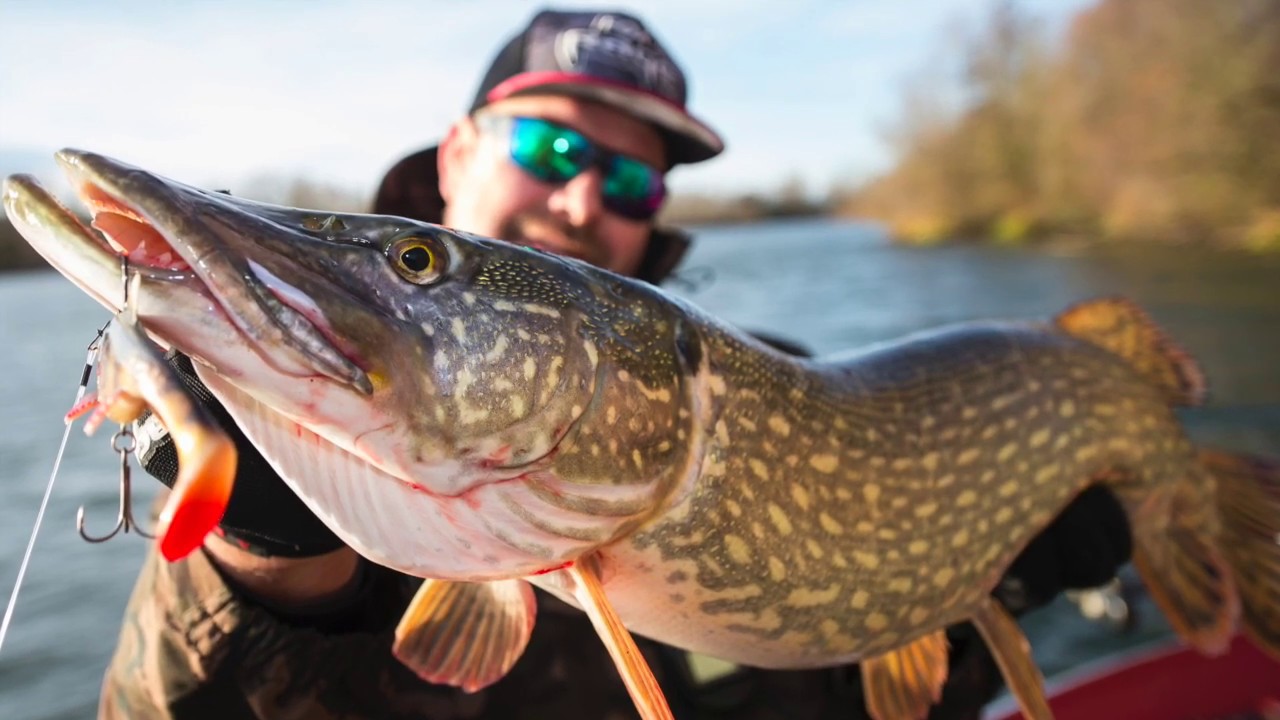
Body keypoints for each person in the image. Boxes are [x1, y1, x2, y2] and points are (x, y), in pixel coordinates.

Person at [99, 8, 1133, 719]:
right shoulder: (356, 411)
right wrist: (268, 559)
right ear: (457, 152)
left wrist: (977, 596)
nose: (583, 199)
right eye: (550, 152)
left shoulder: (760, 382)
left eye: (631, 179)